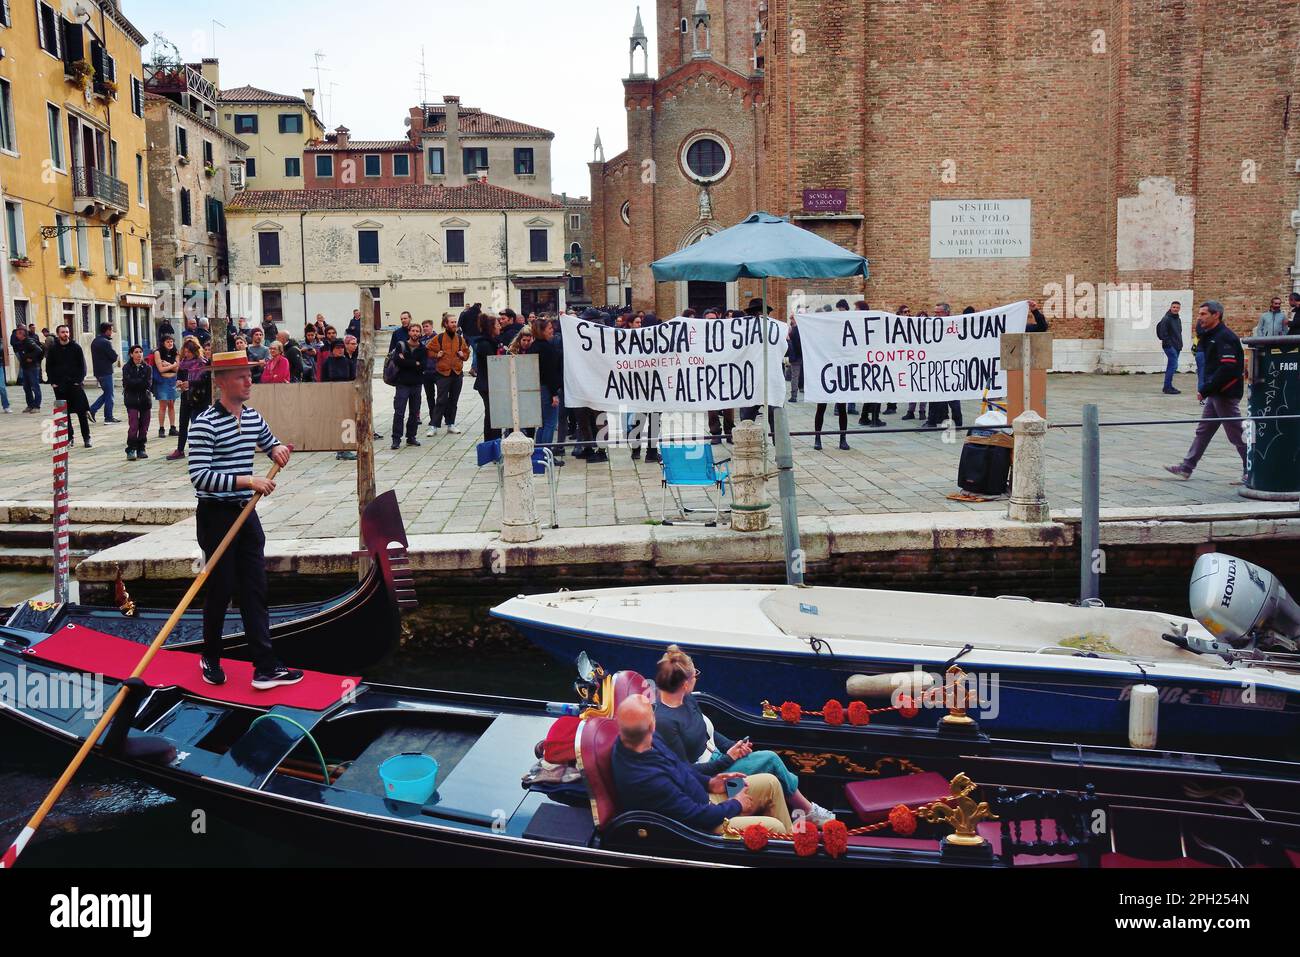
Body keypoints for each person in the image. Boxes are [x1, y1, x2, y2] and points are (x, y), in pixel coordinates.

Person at [188, 349, 299, 690]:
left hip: (245, 514)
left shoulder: (252, 417)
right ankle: (210, 656)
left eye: (249, 374)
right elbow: (200, 477)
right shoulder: (204, 423)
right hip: (215, 516)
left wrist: (278, 448)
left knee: (255, 588)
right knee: (221, 589)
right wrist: (248, 481)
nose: (249, 380)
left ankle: (265, 667)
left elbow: (270, 443)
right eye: (240, 376)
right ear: (220, 382)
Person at [652, 645, 834, 825]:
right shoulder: (665, 723)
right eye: (695, 675)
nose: (697, 679)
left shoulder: (688, 700)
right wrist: (728, 760)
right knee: (770, 760)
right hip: (712, 775)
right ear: (684, 683)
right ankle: (806, 811)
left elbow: (709, 733)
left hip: (721, 759)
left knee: (768, 764)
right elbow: (684, 771)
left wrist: (733, 746)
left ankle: (798, 816)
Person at [610, 694, 794, 835]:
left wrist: (710, 782)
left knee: (770, 783)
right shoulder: (648, 781)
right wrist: (736, 805)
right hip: (703, 824)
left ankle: (791, 847)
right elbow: (697, 816)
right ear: (651, 725)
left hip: (706, 796)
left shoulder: (643, 739)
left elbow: (681, 767)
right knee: (774, 827)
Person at [1164, 301, 1248, 483]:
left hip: (1224, 393)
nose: (1199, 317)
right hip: (1216, 393)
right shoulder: (1211, 335)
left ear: (1216, 315)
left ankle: (1253, 469)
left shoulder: (1224, 337)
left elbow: (1228, 369)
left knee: (1236, 433)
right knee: (1204, 430)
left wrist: (1205, 389)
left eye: (1203, 314)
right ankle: (1186, 468)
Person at [45, 324, 93, 448]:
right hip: (60, 386)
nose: (65, 334)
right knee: (64, 414)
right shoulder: (53, 349)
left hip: (74, 385)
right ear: (58, 334)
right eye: (63, 332)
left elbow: (82, 365)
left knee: (82, 412)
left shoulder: (76, 347)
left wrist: (79, 380)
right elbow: (49, 367)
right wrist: (53, 382)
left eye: (67, 332)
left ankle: (86, 438)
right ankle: (69, 438)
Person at [166, 337, 210, 460]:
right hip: (186, 397)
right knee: (183, 424)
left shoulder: (202, 363)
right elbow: (179, 376)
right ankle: (180, 450)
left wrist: (190, 383)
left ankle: (199, 449)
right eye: (185, 352)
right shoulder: (183, 363)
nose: (186, 354)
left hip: (199, 398)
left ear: (194, 351)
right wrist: (179, 382)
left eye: (188, 352)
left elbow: (204, 381)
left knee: (197, 424)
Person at [428, 312, 469, 436]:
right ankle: (434, 425)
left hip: (457, 372)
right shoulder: (439, 338)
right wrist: (436, 355)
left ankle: (451, 424)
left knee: (454, 400)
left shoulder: (460, 339)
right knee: (441, 400)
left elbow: (466, 353)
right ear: (446, 324)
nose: (454, 324)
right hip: (442, 373)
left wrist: (463, 356)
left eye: (455, 322)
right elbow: (428, 350)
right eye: (452, 322)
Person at [390, 324, 425, 449]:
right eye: (413, 331)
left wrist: (407, 361)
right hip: (402, 383)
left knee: (414, 412)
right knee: (399, 412)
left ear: (420, 333)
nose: (415, 333)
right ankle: (396, 439)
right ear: (409, 332)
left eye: (417, 331)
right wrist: (414, 363)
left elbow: (423, 366)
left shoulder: (422, 348)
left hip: (416, 384)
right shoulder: (401, 345)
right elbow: (398, 361)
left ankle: (411, 437)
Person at [473, 314, 504, 442]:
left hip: (491, 383)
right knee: (492, 415)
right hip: (487, 384)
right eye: (497, 325)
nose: (500, 327)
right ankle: (492, 443)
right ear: (491, 327)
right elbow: (493, 364)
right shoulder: (485, 344)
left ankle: (493, 442)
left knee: (493, 414)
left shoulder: (492, 342)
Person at [122, 345, 152, 460]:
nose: (139, 354)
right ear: (131, 354)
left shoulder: (147, 368)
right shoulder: (126, 368)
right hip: (132, 399)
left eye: (140, 352)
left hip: (145, 400)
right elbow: (127, 383)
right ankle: (131, 448)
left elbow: (148, 384)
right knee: (134, 425)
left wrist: (136, 383)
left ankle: (141, 447)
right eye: (136, 352)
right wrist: (139, 383)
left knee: (144, 426)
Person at [87, 322, 121, 423]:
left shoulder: (95, 341)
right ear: (107, 330)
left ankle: (93, 411)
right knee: (109, 395)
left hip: (98, 371)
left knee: (107, 393)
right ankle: (106, 416)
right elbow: (114, 357)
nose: (112, 332)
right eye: (111, 330)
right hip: (106, 371)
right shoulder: (106, 342)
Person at [153, 334, 180, 438]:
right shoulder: (158, 353)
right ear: (163, 343)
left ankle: (173, 427)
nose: (170, 343)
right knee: (163, 405)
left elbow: (177, 369)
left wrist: (169, 365)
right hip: (162, 381)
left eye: (171, 341)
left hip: (173, 380)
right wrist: (173, 366)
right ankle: (161, 428)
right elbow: (160, 369)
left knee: (172, 404)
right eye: (168, 342)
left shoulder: (176, 353)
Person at [1156, 301, 1184, 395]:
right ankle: (1167, 387)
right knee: (1173, 365)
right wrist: (1169, 344)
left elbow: (1178, 333)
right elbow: (1164, 333)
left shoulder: (1178, 319)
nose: (1175, 309)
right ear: (1171, 307)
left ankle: (1168, 386)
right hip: (1169, 346)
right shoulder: (1166, 318)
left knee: (1171, 366)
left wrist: (1180, 345)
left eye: (1177, 307)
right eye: (1174, 307)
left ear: (1179, 309)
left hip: (1177, 346)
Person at [14, 326, 43, 412]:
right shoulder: (21, 343)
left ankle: (37, 406)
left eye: (18, 333)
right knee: (26, 387)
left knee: (35, 386)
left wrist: (31, 358)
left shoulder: (29, 342)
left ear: (22, 334)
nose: (16, 335)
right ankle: (30, 405)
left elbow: (39, 350)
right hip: (25, 367)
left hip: (33, 367)